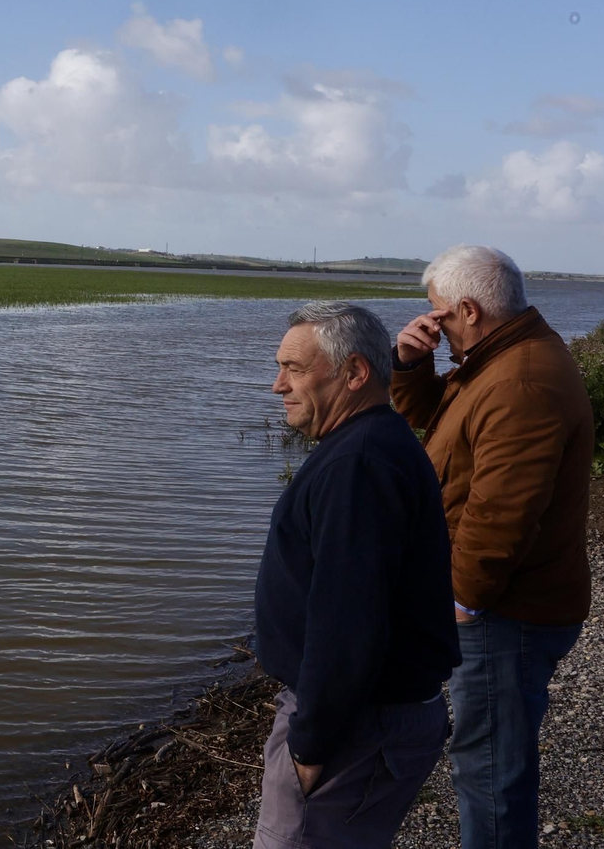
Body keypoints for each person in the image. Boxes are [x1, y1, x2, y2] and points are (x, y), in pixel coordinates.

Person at [392, 245, 593, 849]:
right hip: (508, 605)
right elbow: (436, 422)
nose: (434, 324)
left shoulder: (521, 380)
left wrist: (461, 601)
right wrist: (408, 362)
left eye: (439, 315)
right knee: (487, 764)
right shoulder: (496, 360)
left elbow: (502, 513)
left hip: (508, 612)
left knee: (488, 773)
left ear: (470, 309)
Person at [254, 301, 460, 849]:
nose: (278, 385)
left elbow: (348, 621)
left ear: (354, 373)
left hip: (357, 726)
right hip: (368, 718)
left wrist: (309, 748)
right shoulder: (372, 444)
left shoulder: (359, 465)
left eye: (294, 369)